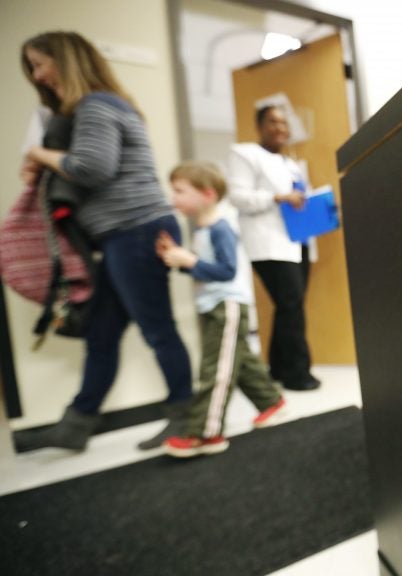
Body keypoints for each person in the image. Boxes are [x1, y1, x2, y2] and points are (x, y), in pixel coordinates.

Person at [15, 31, 192, 452]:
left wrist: (38, 155)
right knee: (101, 332)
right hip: (119, 235)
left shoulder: (96, 105)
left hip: (137, 229)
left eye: (41, 64)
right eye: (33, 68)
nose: (38, 76)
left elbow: (92, 168)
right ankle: (76, 426)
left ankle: (187, 419)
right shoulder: (95, 108)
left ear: (67, 61)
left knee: (158, 330)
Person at [156, 161, 286, 458]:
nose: (174, 198)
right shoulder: (203, 229)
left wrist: (189, 261)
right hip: (214, 305)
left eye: (180, 191)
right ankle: (271, 402)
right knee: (237, 361)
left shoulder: (220, 228)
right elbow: (206, 270)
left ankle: (206, 433)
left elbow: (227, 271)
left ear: (207, 194)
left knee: (216, 370)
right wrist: (181, 260)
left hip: (225, 306)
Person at [227, 105, 320, 391]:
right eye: (272, 122)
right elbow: (238, 197)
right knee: (291, 305)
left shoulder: (291, 163)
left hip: (297, 241)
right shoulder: (245, 154)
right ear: (259, 126)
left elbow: (301, 198)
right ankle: (297, 374)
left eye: (283, 123)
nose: (279, 127)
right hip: (268, 244)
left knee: (289, 306)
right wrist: (278, 197)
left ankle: (278, 368)